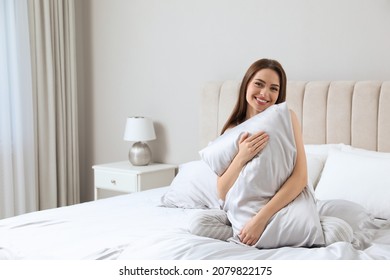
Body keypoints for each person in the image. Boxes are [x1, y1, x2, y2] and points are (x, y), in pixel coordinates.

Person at [216, 58, 308, 246]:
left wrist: (260, 219)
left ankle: (257, 231)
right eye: (259, 84)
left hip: (282, 206)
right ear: (246, 85)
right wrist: (242, 156)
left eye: (274, 88)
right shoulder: (232, 131)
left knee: (338, 231)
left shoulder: (287, 120)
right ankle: (243, 231)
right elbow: (222, 191)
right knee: (198, 224)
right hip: (243, 210)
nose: (265, 93)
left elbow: (300, 178)